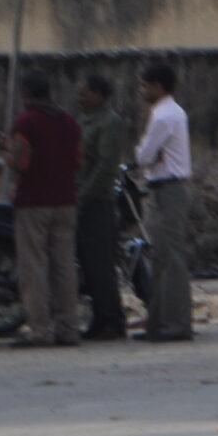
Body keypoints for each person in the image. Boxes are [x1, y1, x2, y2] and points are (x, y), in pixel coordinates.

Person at [3, 70, 83, 347]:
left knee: (34, 265)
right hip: (66, 200)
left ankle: (38, 328)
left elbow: (20, 162)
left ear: (26, 93)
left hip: (33, 202)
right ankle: (69, 326)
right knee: (64, 265)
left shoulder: (25, 123)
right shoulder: (70, 122)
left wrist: (8, 151)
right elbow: (77, 160)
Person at [133, 61, 193, 344]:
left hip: (167, 190)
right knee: (160, 258)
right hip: (163, 189)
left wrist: (145, 155)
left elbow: (144, 156)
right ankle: (159, 322)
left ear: (157, 86)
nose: (142, 90)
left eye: (145, 85)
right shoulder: (169, 113)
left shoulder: (163, 117)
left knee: (170, 260)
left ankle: (175, 323)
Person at [73, 75, 131, 342]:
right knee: (87, 263)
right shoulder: (84, 121)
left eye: (85, 94)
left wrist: (82, 197)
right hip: (83, 200)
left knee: (101, 265)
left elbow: (105, 168)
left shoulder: (110, 123)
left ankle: (112, 320)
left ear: (99, 95)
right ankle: (99, 319)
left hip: (98, 202)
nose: (80, 98)